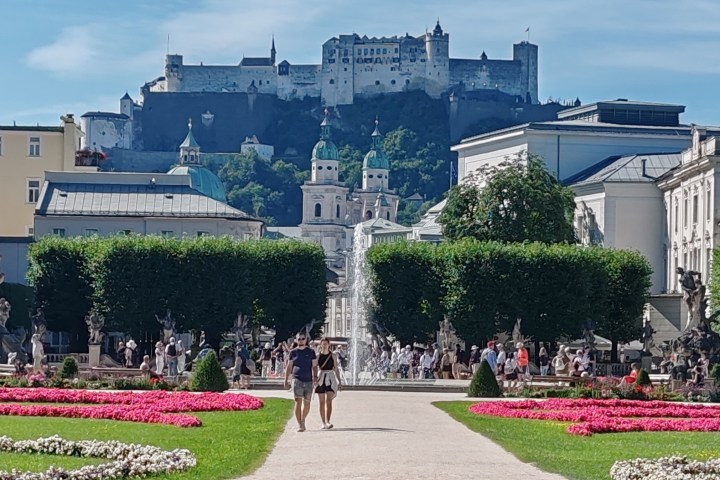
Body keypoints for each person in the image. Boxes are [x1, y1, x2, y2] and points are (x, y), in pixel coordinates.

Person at [284, 332, 318, 432]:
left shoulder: (311, 352)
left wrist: (315, 376)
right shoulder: (293, 352)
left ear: (306, 339)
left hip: (308, 380)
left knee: (307, 403)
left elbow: (315, 365)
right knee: (298, 402)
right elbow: (289, 367)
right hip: (297, 379)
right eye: (299, 339)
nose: (301, 341)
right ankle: (300, 424)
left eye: (303, 339)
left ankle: (303, 420)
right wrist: (286, 380)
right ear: (296, 340)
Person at [315, 338, 342, 429]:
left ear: (329, 345)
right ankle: (323, 422)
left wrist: (339, 381)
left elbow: (336, 368)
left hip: (330, 378)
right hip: (321, 377)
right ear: (321, 345)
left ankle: (328, 421)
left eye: (326, 344)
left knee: (329, 401)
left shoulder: (333, 355)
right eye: (323, 344)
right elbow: (314, 367)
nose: (325, 345)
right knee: (321, 402)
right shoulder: (318, 356)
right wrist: (314, 377)